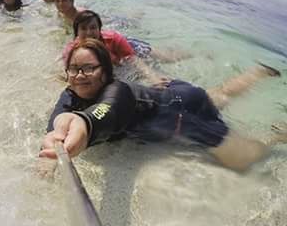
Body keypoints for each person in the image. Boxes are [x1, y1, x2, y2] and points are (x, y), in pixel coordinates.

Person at [40, 38, 285, 171]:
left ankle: (277, 137)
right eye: (73, 68)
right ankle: (257, 73)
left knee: (242, 160)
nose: (79, 75)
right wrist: (56, 134)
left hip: (185, 112)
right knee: (218, 95)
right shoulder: (71, 93)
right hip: (171, 94)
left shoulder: (118, 90)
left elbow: (107, 110)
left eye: (89, 68)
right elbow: (60, 116)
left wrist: (85, 123)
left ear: (105, 72)